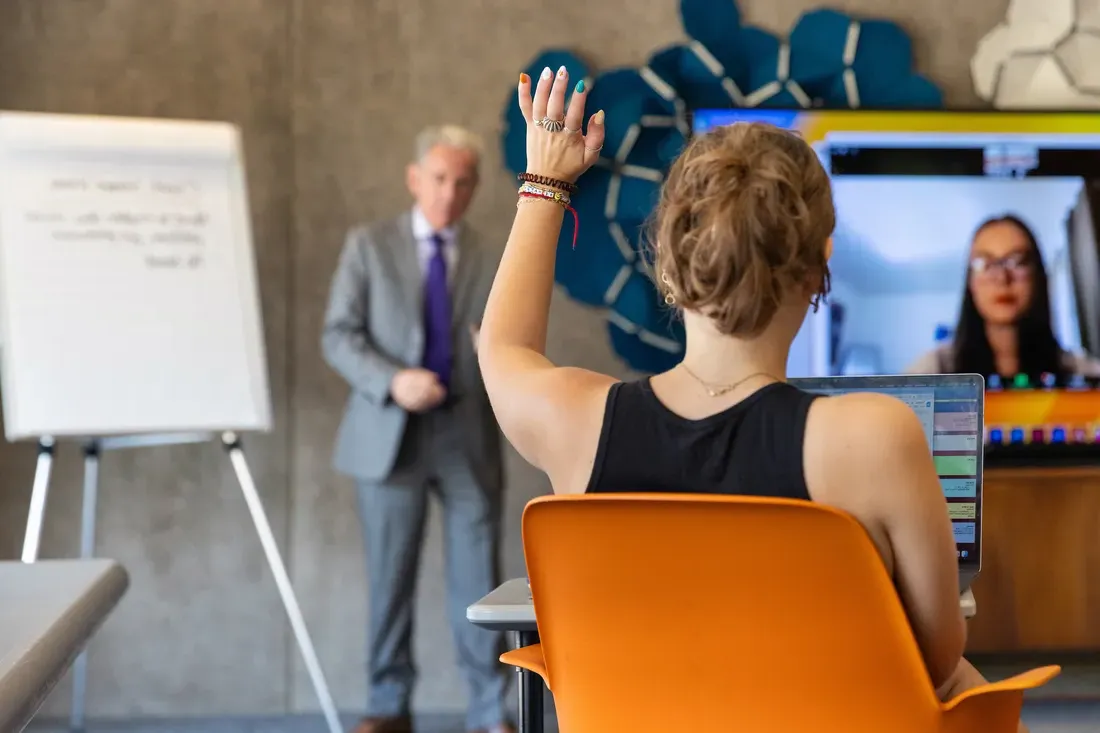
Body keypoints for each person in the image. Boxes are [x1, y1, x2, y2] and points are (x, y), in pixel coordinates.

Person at [475, 67, 1028, 732]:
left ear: (671, 265)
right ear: (821, 262)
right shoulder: (877, 436)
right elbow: (937, 656)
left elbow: (501, 350)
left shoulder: (575, 420)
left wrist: (547, 181)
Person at [322, 124, 512, 733]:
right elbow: (338, 335)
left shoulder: (493, 254)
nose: (449, 194)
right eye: (438, 179)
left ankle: (490, 713)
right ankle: (387, 706)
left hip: (466, 433)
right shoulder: (368, 246)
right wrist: (391, 380)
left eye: (463, 183)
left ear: (476, 187)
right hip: (389, 435)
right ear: (414, 178)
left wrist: (499, 353)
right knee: (390, 578)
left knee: (479, 584)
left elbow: (510, 340)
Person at [907, 214, 1100, 383]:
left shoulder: (1084, 374)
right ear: (970, 282)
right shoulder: (930, 372)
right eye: (984, 263)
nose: (1002, 278)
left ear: (1038, 276)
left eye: (1017, 261)